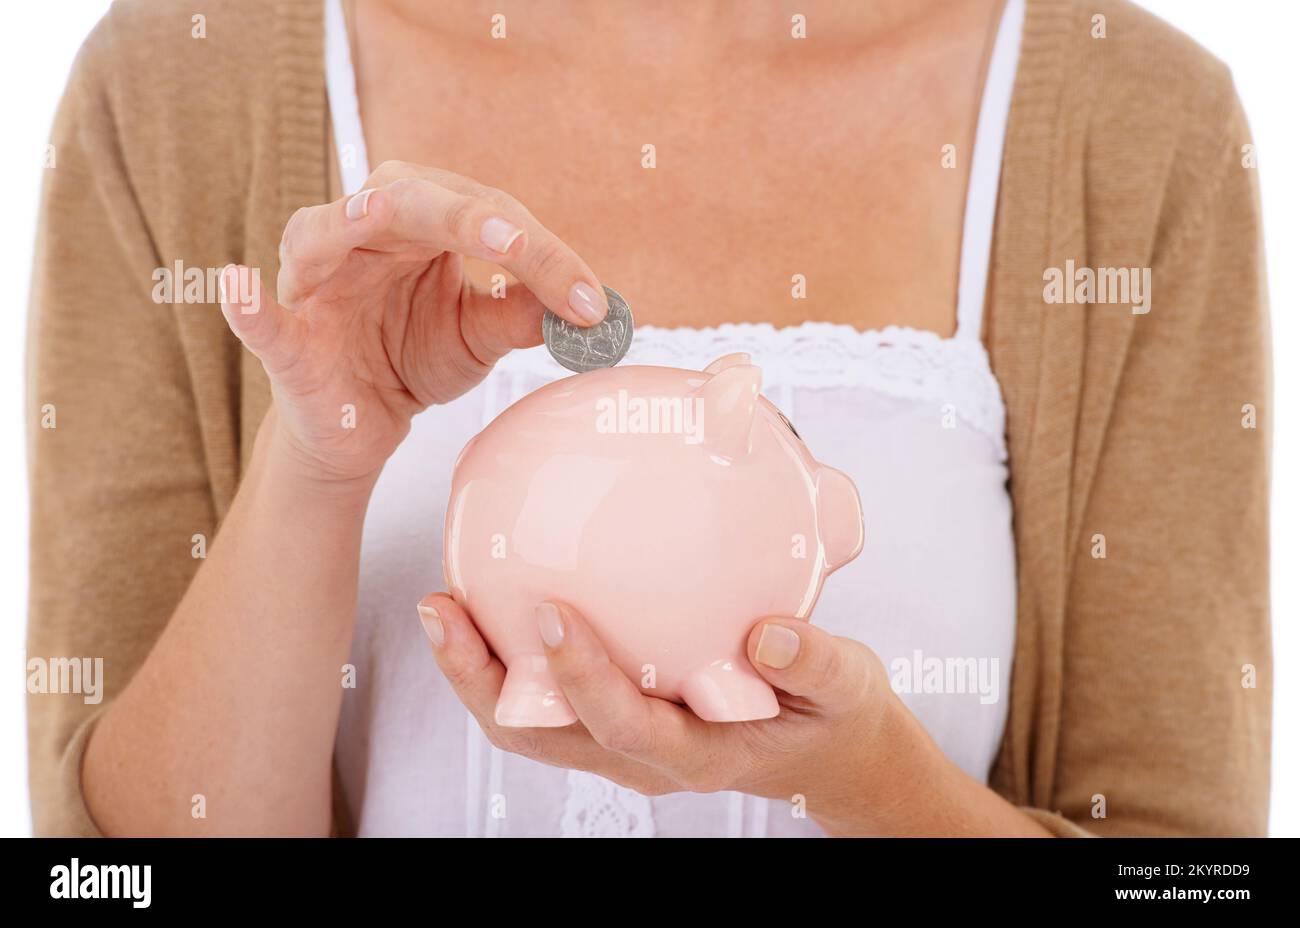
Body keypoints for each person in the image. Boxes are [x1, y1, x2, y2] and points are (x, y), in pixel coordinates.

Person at [27, 0, 1271, 837]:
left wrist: (860, 774)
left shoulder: (1134, 119)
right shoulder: (177, 81)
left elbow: (1191, 867)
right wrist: (318, 466)